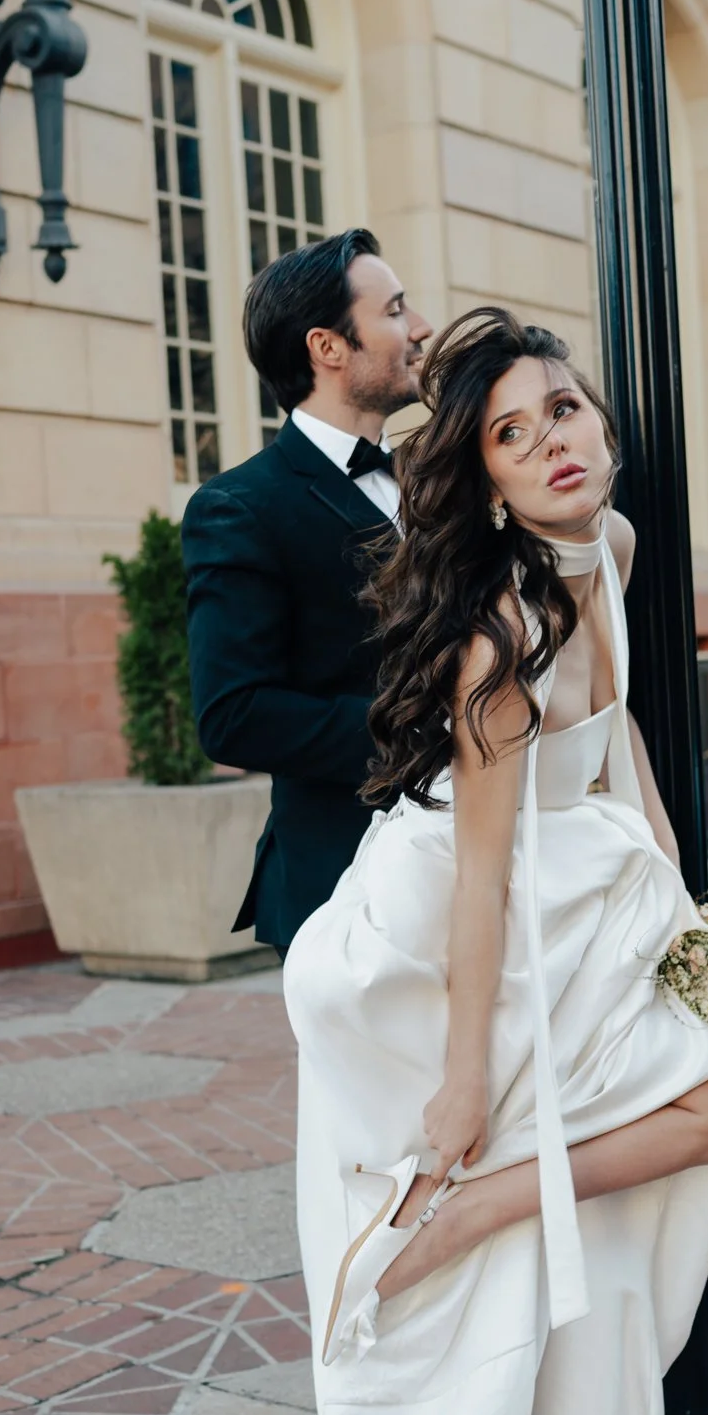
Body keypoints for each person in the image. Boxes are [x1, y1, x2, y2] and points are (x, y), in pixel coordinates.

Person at [62, 308, 708, 1415]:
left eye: (562, 411)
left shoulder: (613, 548)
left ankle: (490, 1212)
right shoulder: (497, 634)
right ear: (486, 484)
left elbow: (626, 757)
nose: (550, 442)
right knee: (471, 1173)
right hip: (422, 938)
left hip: (570, 899)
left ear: (601, 426)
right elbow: (483, 872)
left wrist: (702, 938)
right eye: (512, 434)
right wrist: (457, 1084)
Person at [181, 228, 432, 959]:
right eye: (394, 310)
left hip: (478, 857)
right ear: (328, 347)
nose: (420, 329)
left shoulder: (438, 481)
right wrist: (429, 735)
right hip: (346, 877)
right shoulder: (240, 507)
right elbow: (234, 715)